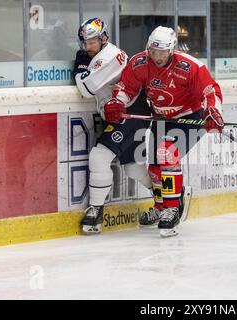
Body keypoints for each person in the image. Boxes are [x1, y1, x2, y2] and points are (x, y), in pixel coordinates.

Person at [103, 26, 224, 237]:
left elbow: (210, 90)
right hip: (162, 119)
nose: (157, 57)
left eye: (162, 52)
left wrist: (212, 112)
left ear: (171, 50)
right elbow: (126, 87)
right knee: (155, 169)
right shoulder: (140, 63)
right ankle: (161, 207)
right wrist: (116, 102)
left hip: (189, 117)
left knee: (167, 153)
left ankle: (172, 209)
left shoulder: (189, 66)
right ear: (148, 48)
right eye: (153, 51)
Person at [73, 18, 153, 234]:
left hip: (129, 112)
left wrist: (80, 67)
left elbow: (86, 88)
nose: (87, 47)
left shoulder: (110, 56)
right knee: (133, 168)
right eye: (85, 42)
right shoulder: (99, 53)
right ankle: (168, 199)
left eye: (92, 41)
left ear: (104, 38)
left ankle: (96, 212)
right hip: (126, 113)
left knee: (99, 156)